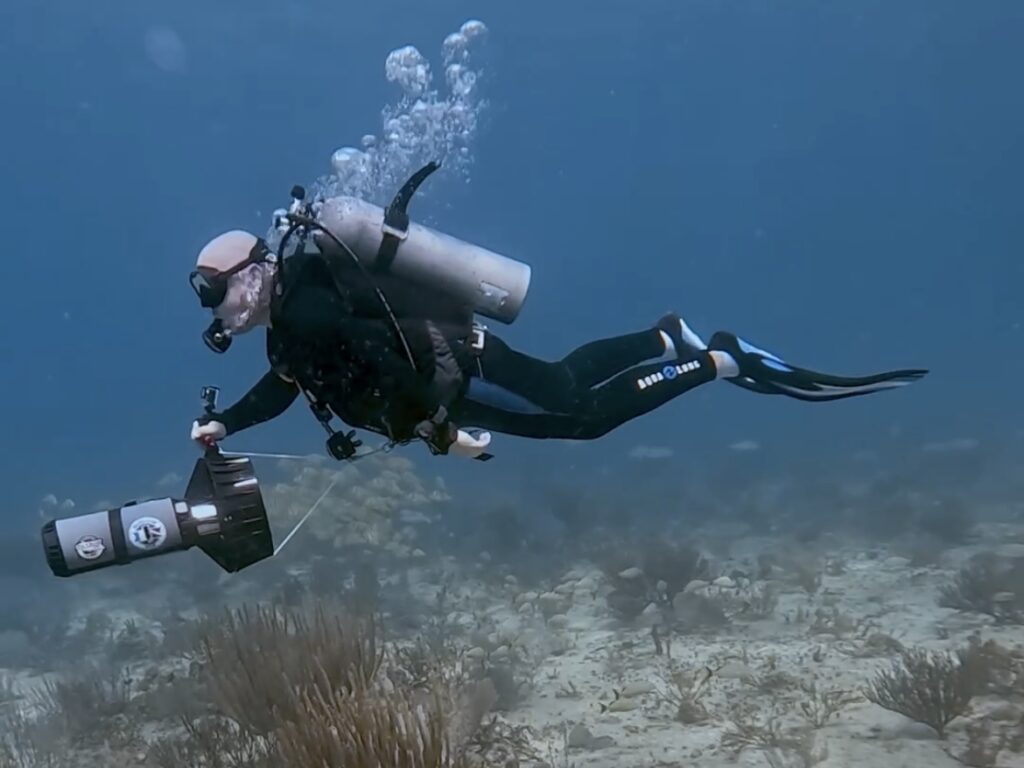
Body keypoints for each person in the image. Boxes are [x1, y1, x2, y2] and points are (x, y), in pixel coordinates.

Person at [189, 229, 927, 459]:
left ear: (255, 274)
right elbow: (286, 384)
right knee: (565, 380)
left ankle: (716, 359)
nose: (218, 307)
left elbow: (387, 365)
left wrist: (445, 432)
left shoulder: (310, 311)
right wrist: (229, 423)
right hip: (459, 367)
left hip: (458, 377)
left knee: (583, 418)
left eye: (216, 289)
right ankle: (664, 335)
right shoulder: (293, 324)